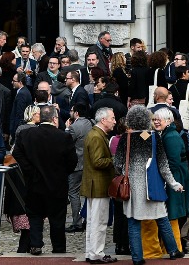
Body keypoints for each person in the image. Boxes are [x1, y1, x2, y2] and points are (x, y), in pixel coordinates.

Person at [113, 105, 184, 265]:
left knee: (133, 222)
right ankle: (173, 250)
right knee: (162, 219)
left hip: (132, 186)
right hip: (152, 185)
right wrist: (173, 183)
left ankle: (137, 257)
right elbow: (163, 165)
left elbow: (117, 164)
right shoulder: (152, 137)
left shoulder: (126, 138)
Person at [14, 104, 77, 254]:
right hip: (57, 185)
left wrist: (29, 170)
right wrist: (62, 173)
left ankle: (35, 243)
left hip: (34, 184)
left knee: (35, 216)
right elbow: (72, 162)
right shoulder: (64, 137)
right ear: (55, 119)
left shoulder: (27, 135)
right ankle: (59, 247)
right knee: (57, 219)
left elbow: (17, 153)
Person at [152, 107, 189, 254]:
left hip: (175, 177)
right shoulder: (167, 134)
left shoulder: (171, 137)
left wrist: (167, 180)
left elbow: (172, 162)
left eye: (158, 119)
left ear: (168, 121)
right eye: (154, 119)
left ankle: (174, 247)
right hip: (174, 176)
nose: (155, 122)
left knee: (173, 212)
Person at [81, 106, 117, 264]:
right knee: (99, 222)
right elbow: (98, 161)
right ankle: (96, 253)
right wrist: (114, 160)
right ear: (103, 120)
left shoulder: (95, 134)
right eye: (112, 118)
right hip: (98, 184)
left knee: (93, 221)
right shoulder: (97, 136)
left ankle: (92, 252)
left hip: (94, 184)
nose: (114, 121)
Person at [65, 104, 93, 233]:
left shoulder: (73, 127)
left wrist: (66, 129)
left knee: (73, 193)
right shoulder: (91, 123)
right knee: (88, 193)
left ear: (76, 113)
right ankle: (88, 220)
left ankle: (77, 222)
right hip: (89, 164)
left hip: (76, 164)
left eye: (71, 110)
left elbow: (66, 143)